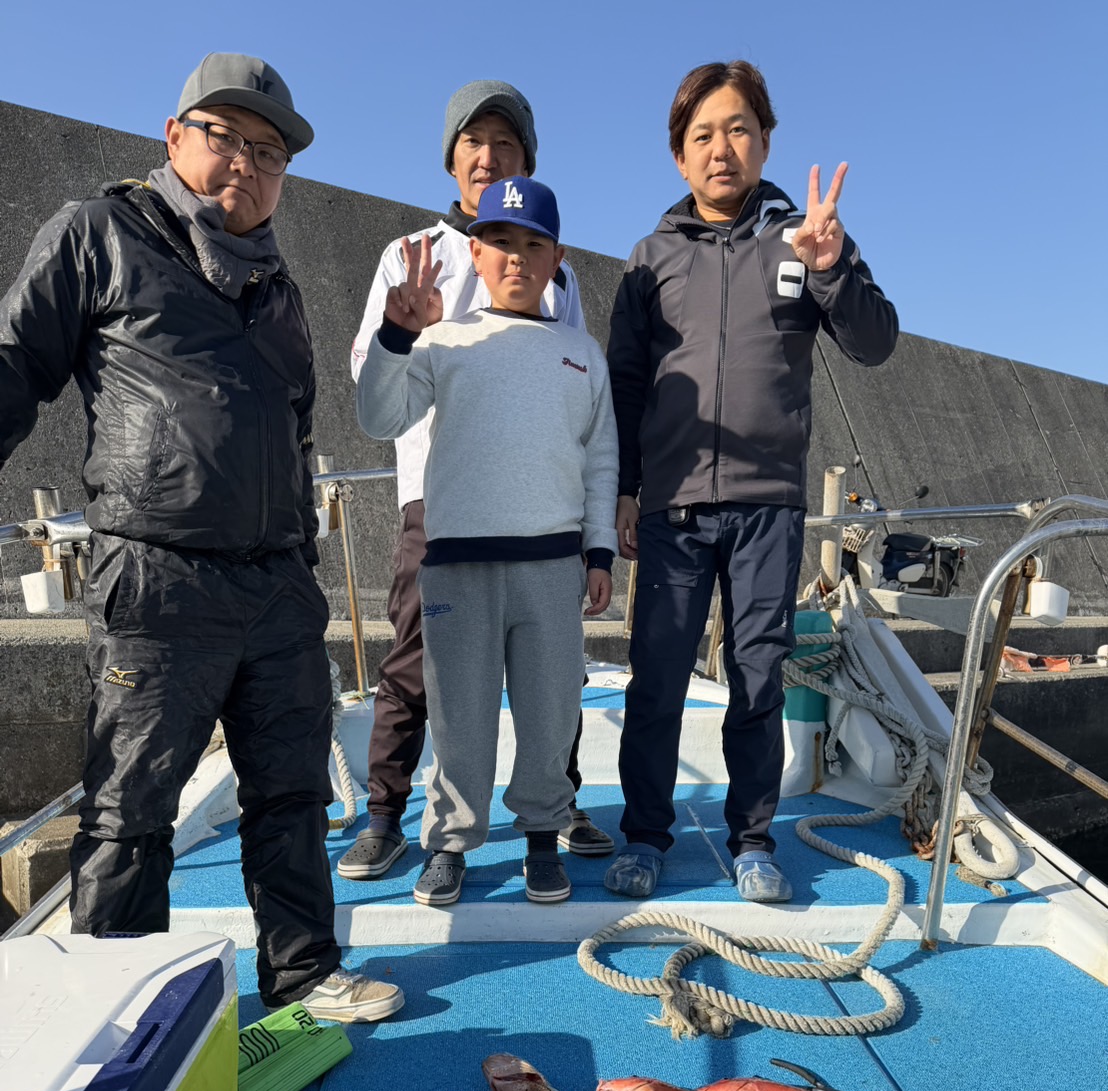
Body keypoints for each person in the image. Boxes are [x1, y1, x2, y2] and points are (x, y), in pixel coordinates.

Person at [0, 53, 402, 1024]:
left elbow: (295, 428)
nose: (247, 165)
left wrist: (298, 554)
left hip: (277, 584)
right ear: (175, 136)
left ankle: (303, 975)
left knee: (292, 795)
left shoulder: (281, 289)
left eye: (270, 152)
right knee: (130, 808)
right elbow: (14, 363)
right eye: (226, 137)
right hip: (155, 578)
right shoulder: (102, 232)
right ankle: (115, 1007)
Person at [604, 59, 898, 903]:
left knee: (759, 677)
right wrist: (623, 489)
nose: (720, 148)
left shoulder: (803, 239)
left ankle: (753, 839)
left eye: (738, 129)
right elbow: (626, 385)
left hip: (768, 504)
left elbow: (876, 342)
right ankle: (644, 835)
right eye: (702, 135)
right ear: (679, 156)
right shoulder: (650, 257)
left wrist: (831, 266)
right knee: (657, 676)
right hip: (672, 506)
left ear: (766, 140)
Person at [340, 80, 614, 885]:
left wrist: (594, 539)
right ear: (451, 157)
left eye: (505, 144)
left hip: (541, 520)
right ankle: (389, 815)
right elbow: (371, 382)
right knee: (416, 662)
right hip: (442, 503)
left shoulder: (564, 287)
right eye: (473, 143)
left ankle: (555, 808)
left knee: (552, 678)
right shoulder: (409, 253)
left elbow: (577, 403)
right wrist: (405, 329)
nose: (488, 157)